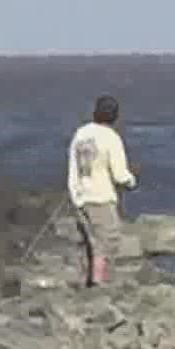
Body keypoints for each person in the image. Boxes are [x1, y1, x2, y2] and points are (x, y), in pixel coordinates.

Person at [67, 94, 137, 287]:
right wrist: (131, 181)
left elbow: (73, 166)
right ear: (115, 116)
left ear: (95, 112)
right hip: (101, 198)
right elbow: (120, 175)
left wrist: (75, 193)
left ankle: (90, 281)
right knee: (107, 242)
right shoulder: (111, 137)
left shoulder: (80, 134)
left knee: (91, 242)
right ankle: (99, 284)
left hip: (80, 197)